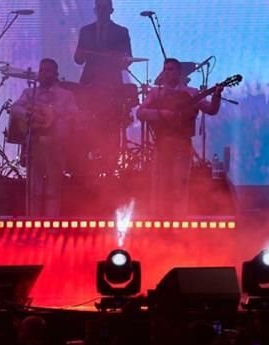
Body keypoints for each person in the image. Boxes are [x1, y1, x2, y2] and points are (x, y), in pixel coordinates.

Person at [137, 58, 222, 217]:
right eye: (165, 69)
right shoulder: (156, 92)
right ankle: (158, 220)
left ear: (179, 73)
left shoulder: (191, 93)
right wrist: (161, 114)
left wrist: (216, 96)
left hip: (182, 145)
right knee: (160, 185)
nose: (168, 73)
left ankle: (178, 221)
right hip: (161, 144)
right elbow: (141, 112)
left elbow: (210, 109)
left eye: (171, 70)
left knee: (180, 183)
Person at [10, 58, 78, 217]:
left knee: (54, 187)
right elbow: (15, 108)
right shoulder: (30, 93)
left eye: (48, 70)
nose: (44, 73)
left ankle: (51, 226)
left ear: (56, 74)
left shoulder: (66, 95)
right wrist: (31, 114)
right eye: (41, 70)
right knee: (35, 187)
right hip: (35, 145)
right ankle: (33, 224)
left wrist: (54, 115)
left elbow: (74, 114)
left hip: (56, 144)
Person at [73, 0, 133, 173]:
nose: (101, 11)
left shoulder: (121, 32)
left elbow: (128, 60)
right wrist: (80, 54)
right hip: (89, 86)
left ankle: (110, 168)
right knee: (86, 126)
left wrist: (118, 57)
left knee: (111, 127)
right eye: (98, 8)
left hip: (112, 88)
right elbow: (78, 60)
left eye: (104, 7)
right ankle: (86, 169)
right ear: (94, 10)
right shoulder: (86, 31)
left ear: (111, 10)